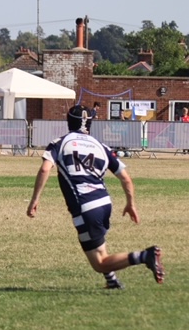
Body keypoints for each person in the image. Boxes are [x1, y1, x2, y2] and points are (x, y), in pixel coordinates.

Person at [26, 105, 164, 289]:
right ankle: (112, 281)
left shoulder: (60, 142)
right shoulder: (101, 146)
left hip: (85, 206)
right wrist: (131, 203)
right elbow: (125, 178)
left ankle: (145, 256)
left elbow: (45, 169)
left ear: (68, 120)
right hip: (104, 203)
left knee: (99, 263)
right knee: (98, 246)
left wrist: (35, 200)